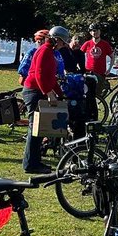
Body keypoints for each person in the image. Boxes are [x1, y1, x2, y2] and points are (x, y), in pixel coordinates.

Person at [21, 26, 69, 174]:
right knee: (34, 128)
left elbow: (51, 77)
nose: (63, 46)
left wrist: (61, 95)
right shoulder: (44, 51)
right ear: (56, 39)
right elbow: (40, 75)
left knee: (39, 129)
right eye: (62, 43)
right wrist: (48, 92)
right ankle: (30, 164)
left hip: (38, 91)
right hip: (34, 91)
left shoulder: (50, 51)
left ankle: (35, 161)